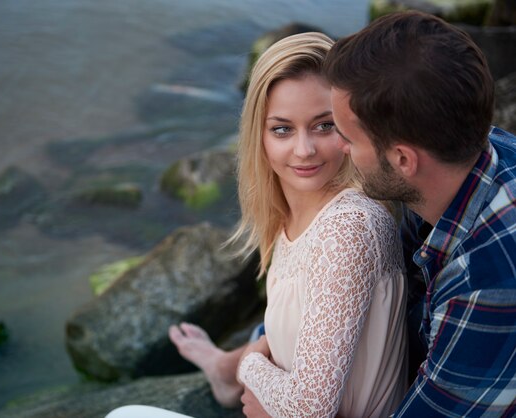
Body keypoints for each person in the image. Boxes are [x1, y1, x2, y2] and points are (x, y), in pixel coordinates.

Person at [168, 31, 408, 417]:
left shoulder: (349, 227)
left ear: (349, 125)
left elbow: (309, 410)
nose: (303, 150)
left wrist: (249, 366)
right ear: (258, 136)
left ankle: (226, 372)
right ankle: (223, 370)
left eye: (324, 125)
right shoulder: (291, 219)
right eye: (282, 129)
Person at [322, 10, 516, 417]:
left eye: (348, 137)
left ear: (403, 159)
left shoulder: (486, 285)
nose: (339, 148)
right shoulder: (478, 152)